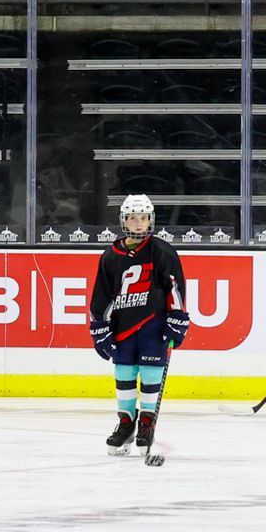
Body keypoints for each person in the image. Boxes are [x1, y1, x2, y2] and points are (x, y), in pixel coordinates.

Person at [88, 194, 189, 456]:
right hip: (123, 326)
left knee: (151, 372)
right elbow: (102, 294)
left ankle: (146, 422)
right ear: (124, 220)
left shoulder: (161, 250)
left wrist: (176, 319)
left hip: (153, 324)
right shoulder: (111, 255)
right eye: (133, 218)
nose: (138, 223)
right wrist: (100, 326)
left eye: (143, 218)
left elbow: (174, 287)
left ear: (150, 220)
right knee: (124, 374)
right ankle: (125, 423)